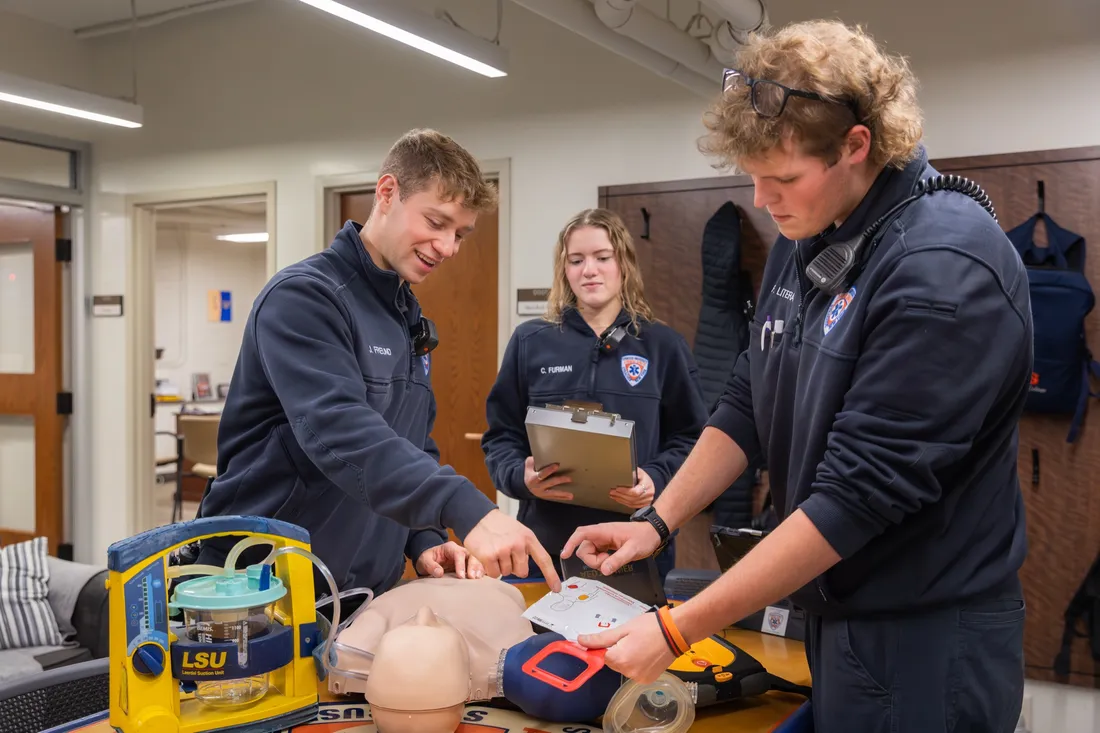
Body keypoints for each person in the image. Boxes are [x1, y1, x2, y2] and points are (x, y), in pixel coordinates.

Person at [561, 20, 1030, 733]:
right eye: (752, 176)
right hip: (842, 615)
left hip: (928, 638)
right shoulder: (809, 234)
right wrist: (658, 521)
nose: (761, 199)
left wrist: (677, 629)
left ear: (856, 146)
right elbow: (751, 392)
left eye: (782, 178)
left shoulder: (944, 268)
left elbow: (856, 496)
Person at [195, 128, 561, 600]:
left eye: (460, 234)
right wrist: (463, 506)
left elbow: (409, 441)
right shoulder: (305, 298)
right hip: (258, 592)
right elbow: (343, 433)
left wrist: (424, 536)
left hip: (356, 592)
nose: (448, 247)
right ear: (387, 193)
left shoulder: (406, 317)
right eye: (436, 221)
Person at [481, 208, 708, 581]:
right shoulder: (531, 342)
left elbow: (692, 439)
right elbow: (501, 437)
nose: (590, 270)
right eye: (576, 260)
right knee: (535, 642)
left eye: (603, 258)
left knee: (628, 641)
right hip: (547, 549)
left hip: (637, 549)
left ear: (623, 263)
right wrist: (520, 478)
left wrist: (655, 479)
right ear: (565, 270)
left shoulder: (663, 346)